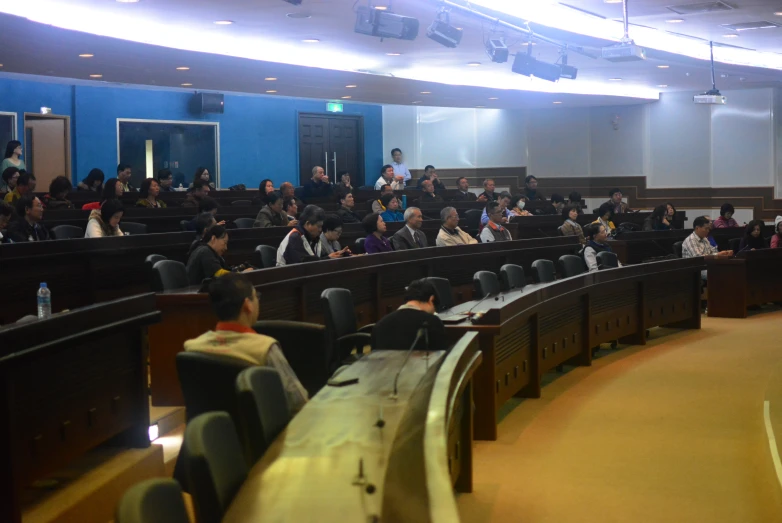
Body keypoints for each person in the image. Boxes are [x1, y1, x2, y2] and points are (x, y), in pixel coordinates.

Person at [183, 273, 308, 413]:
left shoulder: (192, 348)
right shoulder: (265, 349)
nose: (257, 300)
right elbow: (298, 401)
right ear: (248, 305)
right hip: (263, 433)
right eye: (256, 296)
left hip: (213, 432)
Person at [371, 279, 448, 352]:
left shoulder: (379, 325)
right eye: (434, 309)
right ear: (431, 299)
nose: (433, 313)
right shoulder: (432, 322)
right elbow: (442, 358)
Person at [277, 205, 348, 266]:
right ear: (308, 224)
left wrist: (336, 255)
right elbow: (303, 264)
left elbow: (317, 259)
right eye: (319, 226)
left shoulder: (313, 238)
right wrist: (328, 258)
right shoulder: (294, 237)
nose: (320, 230)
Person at [186, 225, 253, 284]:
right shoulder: (205, 251)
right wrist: (241, 274)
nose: (226, 248)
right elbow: (219, 274)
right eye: (225, 242)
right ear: (214, 238)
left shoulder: (210, 251)